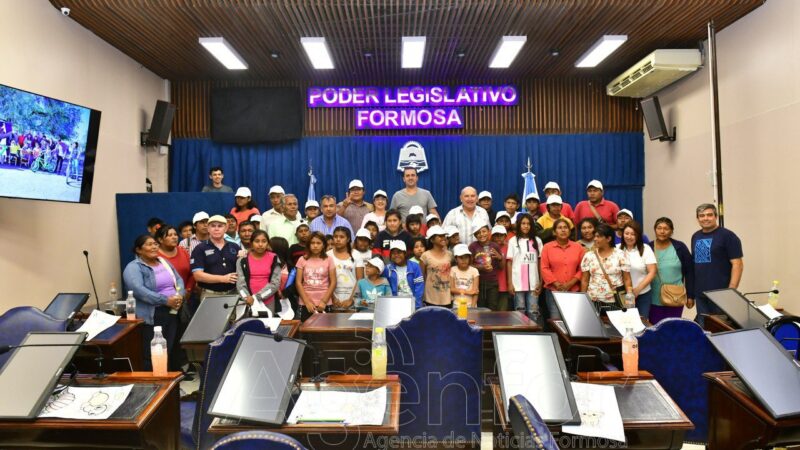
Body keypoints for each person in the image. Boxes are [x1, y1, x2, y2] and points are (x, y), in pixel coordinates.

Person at [122, 235, 184, 370]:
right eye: (149, 244)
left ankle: (170, 383)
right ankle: (154, 384)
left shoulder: (163, 261)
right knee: (154, 353)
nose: (154, 247)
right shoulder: (133, 267)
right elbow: (139, 290)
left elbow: (178, 279)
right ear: (139, 250)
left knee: (170, 349)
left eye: (155, 244)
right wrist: (165, 300)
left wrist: (180, 295)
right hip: (153, 314)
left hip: (172, 310)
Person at [691, 203, 744, 325]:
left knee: (721, 328)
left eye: (709, 215)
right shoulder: (695, 236)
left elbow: (738, 264)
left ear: (716, 217)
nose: (705, 218)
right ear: (697, 218)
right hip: (701, 294)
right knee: (704, 327)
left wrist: (732, 289)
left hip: (721, 294)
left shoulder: (728, 236)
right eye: (702, 216)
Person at [648, 217, 694, 324]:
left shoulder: (680, 247)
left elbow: (690, 272)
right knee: (654, 328)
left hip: (675, 297)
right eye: (659, 228)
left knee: (673, 328)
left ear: (671, 231)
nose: (662, 231)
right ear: (655, 230)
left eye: (666, 228)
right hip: (653, 299)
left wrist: (690, 296)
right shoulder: (648, 247)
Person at [580, 223, 633, 313]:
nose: (595, 239)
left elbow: (627, 279)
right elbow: (585, 280)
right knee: (594, 326)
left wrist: (629, 299)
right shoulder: (589, 256)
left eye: (599, 236)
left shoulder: (620, 255)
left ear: (608, 239)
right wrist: (583, 300)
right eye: (595, 236)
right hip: (593, 300)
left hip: (615, 301)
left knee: (615, 326)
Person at [541, 219, 584, 320]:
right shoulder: (547, 247)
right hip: (553, 291)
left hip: (573, 290)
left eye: (565, 228)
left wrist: (571, 283)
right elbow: (544, 268)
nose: (563, 230)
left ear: (569, 231)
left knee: (573, 320)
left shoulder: (578, 247)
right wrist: (556, 283)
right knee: (556, 321)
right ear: (554, 232)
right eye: (559, 228)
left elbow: (583, 268)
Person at [190, 215, 241, 298]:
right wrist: (223, 279)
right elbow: (197, 275)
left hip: (233, 293)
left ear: (226, 228)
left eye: (220, 226)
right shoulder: (200, 248)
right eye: (213, 226)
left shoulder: (234, 247)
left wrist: (243, 257)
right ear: (208, 229)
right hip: (210, 294)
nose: (216, 229)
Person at [506, 213, 544, 318]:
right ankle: (521, 333)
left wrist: (541, 281)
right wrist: (510, 283)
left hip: (534, 284)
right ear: (519, 225)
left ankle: (534, 333)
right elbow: (509, 262)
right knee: (519, 311)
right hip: (517, 283)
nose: (526, 226)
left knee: (533, 311)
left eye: (528, 224)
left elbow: (541, 262)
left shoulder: (538, 241)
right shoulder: (513, 241)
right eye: (523, 223)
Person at [235, 229, 281, 313]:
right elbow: (240, 283)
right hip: (248, 302)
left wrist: (256, 297)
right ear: (251, 243)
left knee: (268, 325)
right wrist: (246, 298)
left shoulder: (274, 258)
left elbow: (275, 283)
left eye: (264, 241)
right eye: (257, 241)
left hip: (268, 300)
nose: (260, 244)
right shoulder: (242, 260)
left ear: (268, 243)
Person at [617, 221, 657, 319]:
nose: (629, 237)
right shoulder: (617, 249)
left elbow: (652, 272)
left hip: (643, 293)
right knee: (625, 323)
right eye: (626, 233)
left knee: (642, 323)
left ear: (638, 236)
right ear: (622, 234)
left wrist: (637, 290)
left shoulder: (645, 249)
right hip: (621, 295)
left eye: (633, 234)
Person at [295, 232, 337, 320]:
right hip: (306, 303)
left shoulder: (329, 260)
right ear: (308, 244)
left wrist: (323, 302)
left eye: (318, 243)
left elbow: (333, 282)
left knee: (325, 330)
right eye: (312, 243)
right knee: (306, 331)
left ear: (323, 245)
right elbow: (298, 283)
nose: (315, 246)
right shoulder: (302, 259)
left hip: (324, 301)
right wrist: (307, 302)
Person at [469, 221, 503, 311]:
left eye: (484, 231)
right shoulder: (473, 246)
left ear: (489, 231)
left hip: (493, 282)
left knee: (493, 307)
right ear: (475, 235)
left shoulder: (495, 246)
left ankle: (491, 325)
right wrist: (482, 267)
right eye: (478, 233)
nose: (481, 234)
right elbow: (469, 265)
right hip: (478, 282)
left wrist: (500, 258)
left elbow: (502, 267)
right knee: (480, 308)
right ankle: (481, 325)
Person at [155, 225, 195, 300]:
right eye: (170, 235)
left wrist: (188, 289)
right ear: (160, 240)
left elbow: (192, 273)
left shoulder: (183, 251)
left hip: (185, 296)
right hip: (163, 299)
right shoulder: (155, 256)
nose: (174, 237)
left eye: (175, 234)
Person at [419, 225, 453, 307]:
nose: (443, 238)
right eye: (440, 236)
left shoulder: (450, 254)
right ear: (432, 239)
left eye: (444, 236)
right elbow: (421, 276)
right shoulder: (425, 256)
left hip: (447, 296)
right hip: (430, 297)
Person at [384, 241, 425, 308]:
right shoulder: (388, 268)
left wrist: (416, 305)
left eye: (399, 252)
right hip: (395, 304)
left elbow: (419, 287)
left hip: (412, 302)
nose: (396, 255)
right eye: (393, 253)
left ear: (405, 253)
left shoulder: (415, 266)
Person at [328, 226, 357, 310]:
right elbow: (325, 279)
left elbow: (360, 279)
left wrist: (351, 299)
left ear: (348, 239)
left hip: (352, 300)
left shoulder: (356, 254)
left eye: (341, 237)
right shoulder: (327, 255)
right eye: (335, 236)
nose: (338, 239)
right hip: (333, 300)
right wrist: (333, 298)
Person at [491, 225, 510, 310]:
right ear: (492, 237)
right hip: (492, 284)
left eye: (501, 235)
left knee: (503, 311)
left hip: (504, 283)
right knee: (492, 309)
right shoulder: (489, 247)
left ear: (505, 236)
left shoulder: (509, 247)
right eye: (496, 235)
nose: (499, 238)